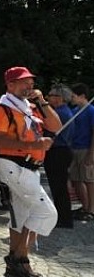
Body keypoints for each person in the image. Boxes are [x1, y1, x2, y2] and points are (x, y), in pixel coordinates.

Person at [0, 66, 60, 277]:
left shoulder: (30, 108)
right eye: (23, 82)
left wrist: (42, 102)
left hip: (29, 168)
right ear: (10, 85)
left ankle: (15, 261)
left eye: (30, 81)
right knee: (46, 212)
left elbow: (55, 125)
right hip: (15, 166)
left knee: (20, 215)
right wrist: (33, 144)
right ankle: (20, 259)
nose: (29, 85)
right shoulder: (2, 109)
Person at [44, 85, 75, 228]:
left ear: (59, 98)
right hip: (61, 151)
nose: (48, 97)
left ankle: (64, 218)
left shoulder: (60, 113)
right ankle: (62, 216)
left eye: (51, 95)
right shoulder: (63, 111)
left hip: (58, 151)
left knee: (59, 186)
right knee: (58, 186)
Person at [69, 83, 94, 221]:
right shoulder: (74, 111)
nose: (71, 98)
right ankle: (84, 206)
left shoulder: (91, 111)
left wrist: (91, 153)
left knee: (89, 179)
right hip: (74, 148)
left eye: (73, 96)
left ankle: (91, 209)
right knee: (76, 179)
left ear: (82, 96)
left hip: (85, 148)